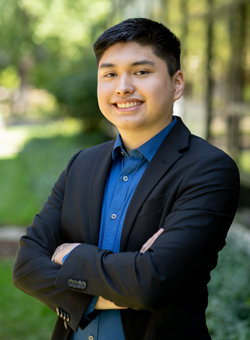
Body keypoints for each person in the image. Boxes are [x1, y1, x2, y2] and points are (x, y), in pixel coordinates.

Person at [13, 18, 240, 340]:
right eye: (109, 74)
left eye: (141, 72)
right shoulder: (82, 164)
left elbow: (149, 284)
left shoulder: (209, 169)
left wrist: (70, 255)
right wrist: (123, 278)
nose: (122, 87)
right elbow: (26, 267)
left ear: (177, 84)